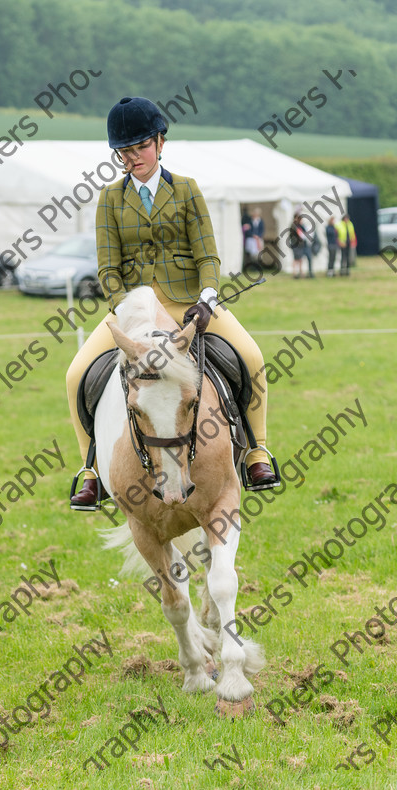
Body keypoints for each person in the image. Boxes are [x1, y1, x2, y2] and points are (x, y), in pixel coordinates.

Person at [66, 96, 277, 510]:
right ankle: (89, 470)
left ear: (160, 143)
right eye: (123, 152)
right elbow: (108, 268)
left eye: (140, 147)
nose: (132, 157)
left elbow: (208, 257)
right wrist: (123, 310)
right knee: (75, 375)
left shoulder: (186, 189)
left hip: (188, 307)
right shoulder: (109, 199)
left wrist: (207, 299)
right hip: (133, 315)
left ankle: (256, 451)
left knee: (252, 357)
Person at [289, 213, 305, 278]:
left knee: (300, 259)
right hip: (295, 244)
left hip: (300, 244)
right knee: (296, 259)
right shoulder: (293, 226)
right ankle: (294, 273)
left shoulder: (299, 225)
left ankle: (300, 272)